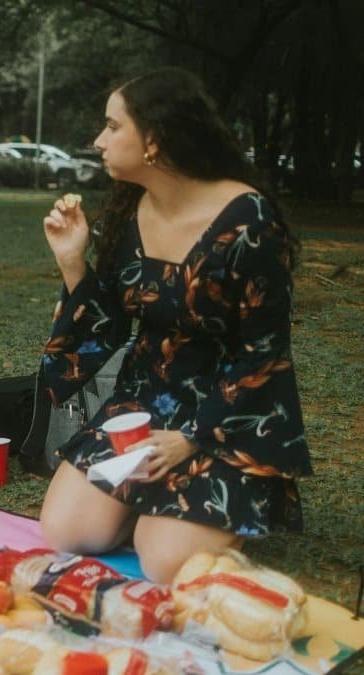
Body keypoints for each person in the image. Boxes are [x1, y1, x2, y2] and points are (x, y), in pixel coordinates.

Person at [37, 67, 309, 584]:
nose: (99, 140)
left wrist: (193, 438)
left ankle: (205, 514)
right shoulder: (128, 207)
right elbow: (109, 330)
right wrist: (74, 262)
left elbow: (263, 355)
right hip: (143, 404)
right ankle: (158, 508)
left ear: (154, 141)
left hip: (228, 414)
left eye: (112, 127)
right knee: (68, 532)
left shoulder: (247, 220)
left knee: (164, 560)